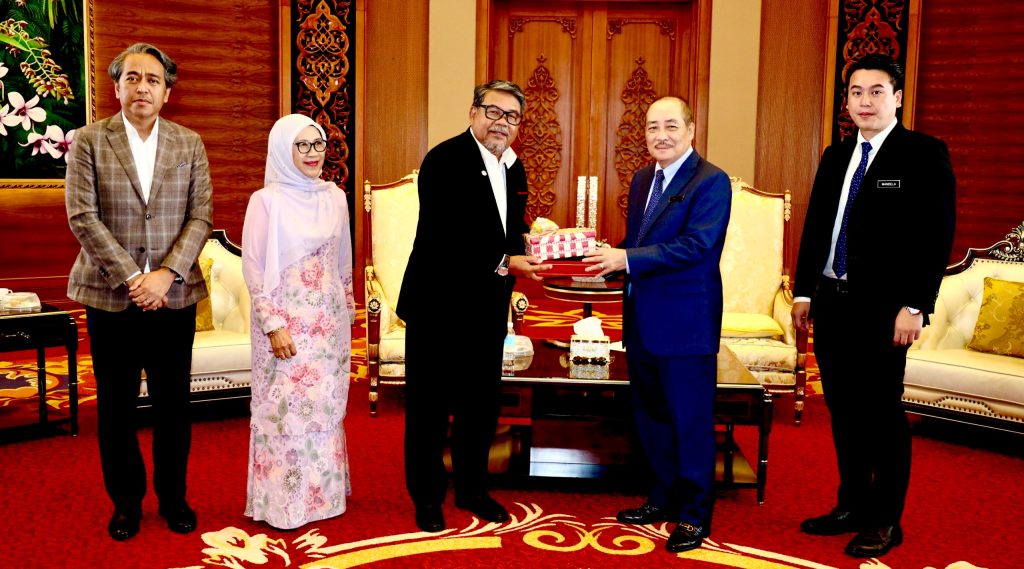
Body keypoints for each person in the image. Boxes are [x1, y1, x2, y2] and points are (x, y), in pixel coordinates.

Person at [792, 54, 956, 558]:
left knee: (882, 413)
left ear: (897, 98)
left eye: (876, 91)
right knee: (843, 410)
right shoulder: (835, 155)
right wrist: (803, 291)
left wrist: (916, 305)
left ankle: (885, 519)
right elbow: (817, 226)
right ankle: (851, 505)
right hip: (832, 302)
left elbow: (935, 237)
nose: (865, 101)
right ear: (846, 101)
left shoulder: (923, 154)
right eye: (856, 92)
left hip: (886, 311)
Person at [65, 43, 212, 541]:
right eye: (132, 78)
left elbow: (201, 217)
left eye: (152, 79)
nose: (142, 87)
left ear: (167, 92)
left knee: (174, 406)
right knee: (116, 407)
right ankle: (126, 503)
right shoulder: (89, 140)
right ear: (117, 88)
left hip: (174, 297)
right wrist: (133, 277)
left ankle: (173, 498)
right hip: (111, 296)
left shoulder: (189, 143)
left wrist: (166, 274)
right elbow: (82, 216)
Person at [397, 80, 550, 533]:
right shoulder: (444, 160)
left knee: (479, 405)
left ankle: (472, 489)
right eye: (494, 112)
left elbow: (507, 227)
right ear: (473, 113)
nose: (502, 123)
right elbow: (446, 236)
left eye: (512, 117)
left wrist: (535, 243)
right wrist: (506, 261)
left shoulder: (514, 169)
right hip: (437, 306)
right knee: (429, 407)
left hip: (487, 306)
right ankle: (427, 496)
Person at [584, 96, 731, 553]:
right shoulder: (643, 178)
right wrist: (599, 260)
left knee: (690, 422)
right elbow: (638, 242)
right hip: (643, 322)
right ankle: (662, 498)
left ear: (691, 130)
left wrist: (625, 258)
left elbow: (697, 246)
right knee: (652, 418)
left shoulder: (711, 181)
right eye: (652, 127)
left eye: (670, 126)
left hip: (686, 324)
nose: (660, 135)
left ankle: (694, 516)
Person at [241, 114, 355, 530]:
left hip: (327, 324)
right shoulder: (266, 201)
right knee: (285, 410)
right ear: (281, 150)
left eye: (318, 144)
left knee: (324, 405)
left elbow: (343, 261)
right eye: (302, 145)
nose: (312, 153)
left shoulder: (335, 197)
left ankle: (323, 497)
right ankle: (284, 504)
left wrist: (348, 309)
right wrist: (272, 324)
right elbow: (254, 269)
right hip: (284, 324)